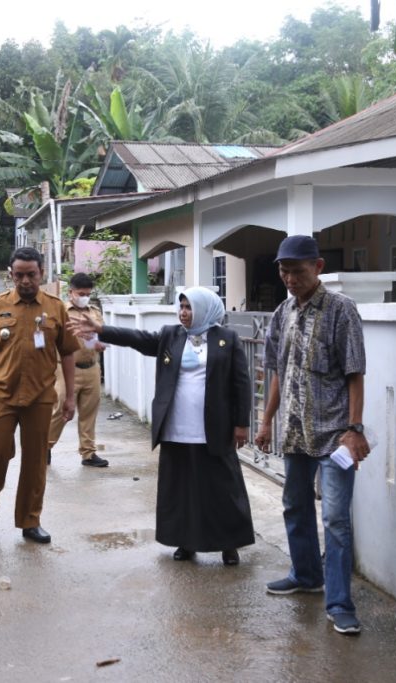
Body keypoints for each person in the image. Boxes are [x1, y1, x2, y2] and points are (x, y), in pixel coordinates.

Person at [72, 287, 254, 565]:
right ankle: (185, 542)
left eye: (189, 307)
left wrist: (242, 423)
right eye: (181, 307)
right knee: (180, 488)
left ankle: (229, 545)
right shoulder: (171, 335)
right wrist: (101, 329)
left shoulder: (226, 339)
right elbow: (138, 338)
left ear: (205, 309)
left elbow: (241, 383)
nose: (183, 313)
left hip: (214, 428)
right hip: (177, 426)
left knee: (221, 487)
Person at [255, 234, 370, 636]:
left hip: (335, 435)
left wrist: (354, 429)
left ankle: (339, 604)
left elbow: (355, 373)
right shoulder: (281, 313)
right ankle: (305, 575)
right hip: (293, 433)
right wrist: (267, 421)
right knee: (294, 507)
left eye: (297, 271)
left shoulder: (342, 310)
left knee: (336, 519)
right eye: (284, 271)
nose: (289, 278)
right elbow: (276, 372)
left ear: (318, 267)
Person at [0, 247, 81, 544]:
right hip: (1, 395)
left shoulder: (56, 308)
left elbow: (68, 353)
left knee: (35, 462)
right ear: (11, 274)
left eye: (31, 274)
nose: (25, 281)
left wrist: (69, 396)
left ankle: (30, 520)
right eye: (18, 274)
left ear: (41, 273)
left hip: (40, 397)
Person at [47, 272, 109, 468]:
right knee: (61, 411)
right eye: (81, 293)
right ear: (71, 292)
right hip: (66, 369)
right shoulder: (60, 311)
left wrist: (101, 343)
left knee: (89, 412)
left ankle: (88, 453)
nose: (84, 297)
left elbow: (102, 333)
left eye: (88, 293)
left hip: (91, 367)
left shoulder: (94, 311)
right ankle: (44, 447)